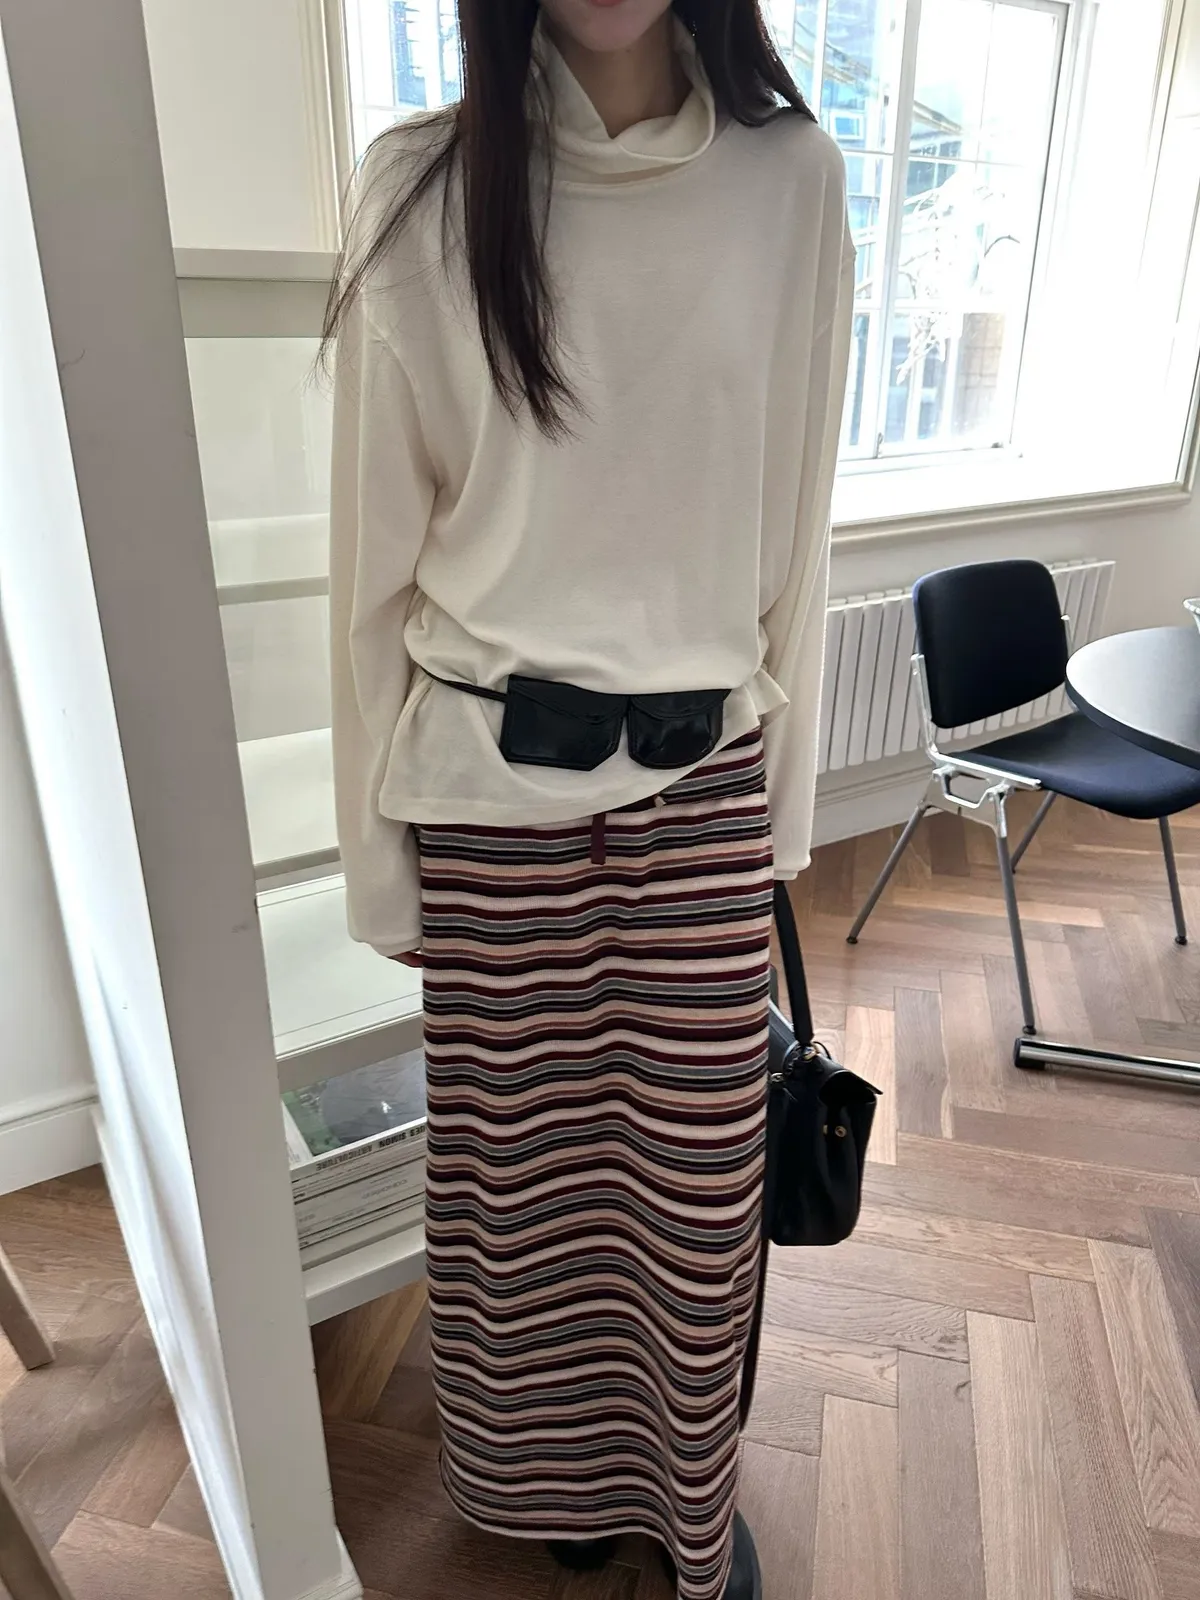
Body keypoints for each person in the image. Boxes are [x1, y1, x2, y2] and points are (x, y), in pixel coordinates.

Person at [326, 2, 852, 1596]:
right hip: (489, 807)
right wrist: (382, 873)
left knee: (695, 1204)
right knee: (522, 1200)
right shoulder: (421, 186)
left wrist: (782, 833)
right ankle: (548, 1483)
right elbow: (369, 578)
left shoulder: (792, 181)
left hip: (703, 791)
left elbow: (799, 532)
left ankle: (684, 1511)